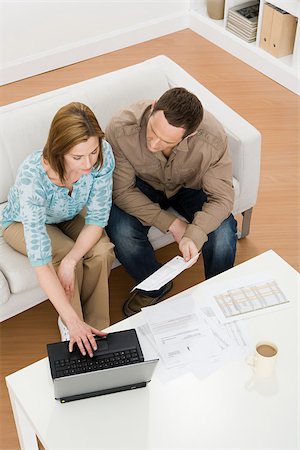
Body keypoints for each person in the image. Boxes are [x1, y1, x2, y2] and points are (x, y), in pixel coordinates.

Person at [105, 87, 237, 317]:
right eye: (152, 131)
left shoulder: (212, 139)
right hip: (142, 185)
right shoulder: (121, 128)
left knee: (224, 232)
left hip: (190, 187)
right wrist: (172, 224)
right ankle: (155, 285)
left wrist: (195, 233)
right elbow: (122, 191)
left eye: (166, 141)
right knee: (120, 230)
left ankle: (217, 293)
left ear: (190, 136)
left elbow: (223, 197)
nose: (154, 144)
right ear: (154, 106)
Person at [1, 102, 115, 357]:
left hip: (68, 214)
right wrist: (67, 259)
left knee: (102, 251)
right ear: (59, 151)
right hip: (19, 222)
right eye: (77, 157)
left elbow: (96, 219)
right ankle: (71, 324)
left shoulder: (103, 156)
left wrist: (73, 261)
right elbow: (41, 262)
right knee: (62, 252)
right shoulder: (33, 177)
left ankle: (97, 328)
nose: (88, 163)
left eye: (93, 152)